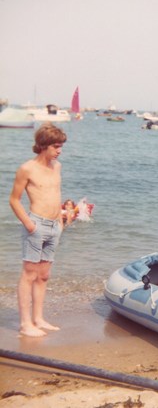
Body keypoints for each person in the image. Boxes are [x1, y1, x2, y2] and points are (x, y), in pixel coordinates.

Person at [9, 123, 67, 337]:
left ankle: (38, 319)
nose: (59, 151)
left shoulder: (57, 166)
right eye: (56, 146)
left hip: (55, 226)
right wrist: (29, 224)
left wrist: (61, 219)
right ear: (43, 145)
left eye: (61, 146)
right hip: (36, 225)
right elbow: (14, 200)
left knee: (43, 275)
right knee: (29, 274)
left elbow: (56, 193)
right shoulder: (27, 169)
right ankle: (25, 324)